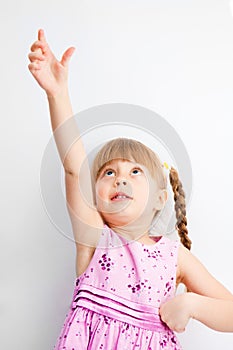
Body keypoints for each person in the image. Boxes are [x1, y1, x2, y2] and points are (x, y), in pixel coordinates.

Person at [28, 29, 233, 350]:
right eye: (109, 172)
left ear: (160, 198)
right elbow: (74, 167)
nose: (120, 178)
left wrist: (193, 305)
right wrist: (57, 94)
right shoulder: (95, 238)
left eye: (135, 172)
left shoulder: (175, 256)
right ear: (94, 193)